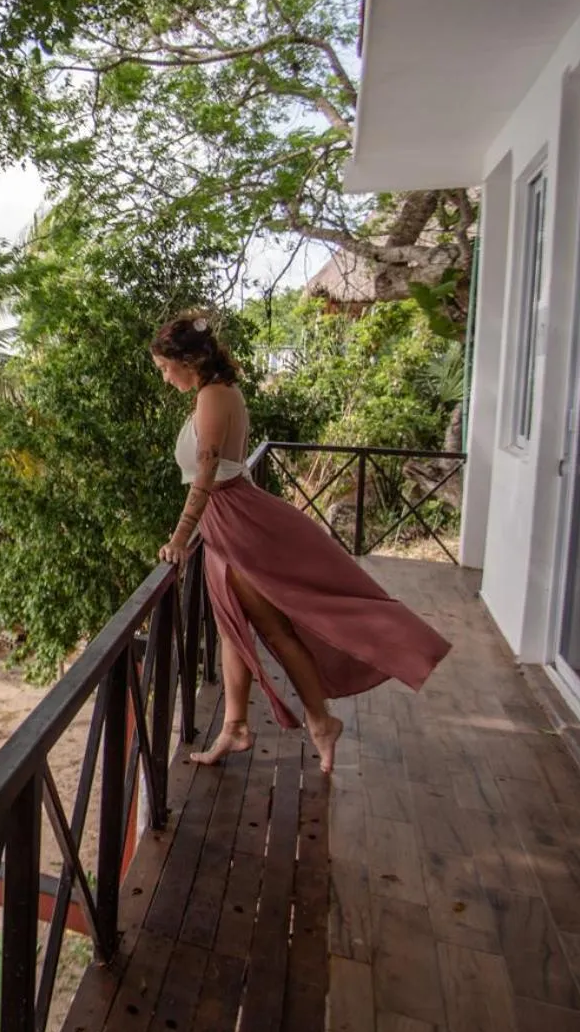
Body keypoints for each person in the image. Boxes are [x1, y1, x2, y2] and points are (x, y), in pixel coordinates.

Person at [150, 313, 451, 773]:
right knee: (234, 626)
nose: (165, 377)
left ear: (187, 360)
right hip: (228, 520)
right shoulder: (219, 392)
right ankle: (237, 726)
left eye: (166, 367)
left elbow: (207, 472)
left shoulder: (213, 396)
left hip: (234, 521)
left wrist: (178, 538)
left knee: (273, 628)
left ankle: (317, 720)